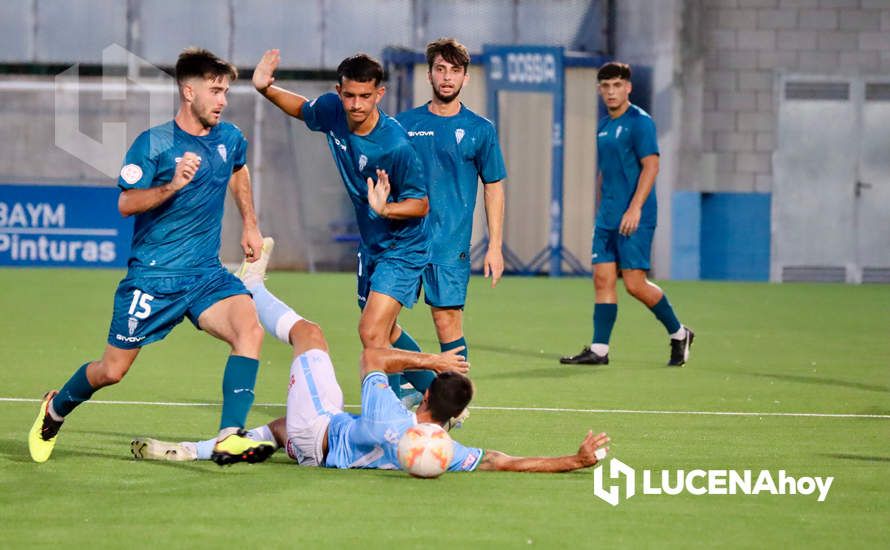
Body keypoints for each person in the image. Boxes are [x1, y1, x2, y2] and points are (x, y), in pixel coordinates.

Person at [132, 247, 610, 473]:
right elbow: (505, 462)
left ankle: (251, 285)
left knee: (309, 334)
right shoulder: (444, 454)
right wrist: (574, 459)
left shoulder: (389, 413)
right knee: (278, 428)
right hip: (317, 449)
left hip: (317, 431)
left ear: (427, 397)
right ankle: (192, 449)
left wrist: (431, 358)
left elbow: (372, 356)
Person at [29, 48, 276, 466]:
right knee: (111, 371)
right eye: (215, 91)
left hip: (204, 275)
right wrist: (172, 186)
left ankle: (229, 435)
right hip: (153, 279)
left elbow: (238, 168)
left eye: (226, 92)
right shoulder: (154, 143)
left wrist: (250, 222)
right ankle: (55, 410)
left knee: (249, 331)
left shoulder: (230, 137)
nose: (222, 100)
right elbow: (126, 204)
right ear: (187, 90)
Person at [252, 50, 434, 396]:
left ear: (379, 94)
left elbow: (421, 203)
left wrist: (387, 210)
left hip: (403, 245)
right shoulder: (333, 110)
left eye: (365, 96)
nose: (355, 104)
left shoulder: (395, 146)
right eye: (349, 95)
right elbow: (303, 109)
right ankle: (437, 392)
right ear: (339, 91)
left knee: (371, 332)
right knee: (385, 329)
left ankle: (387, 414)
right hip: (373, 243)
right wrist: (265, 89)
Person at [560, 62, 694, 367]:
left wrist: (634, 208)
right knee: (602, 279)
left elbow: (652, 165)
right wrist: (600, 206)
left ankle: (678, 333)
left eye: (617, 85)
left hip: (635, 216)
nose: (611, 92)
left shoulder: (640, 123)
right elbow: (605, 172)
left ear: (628, 87)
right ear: (599, 90)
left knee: (634, 284)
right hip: (607, 217)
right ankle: (599, 350)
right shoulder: (604, 126)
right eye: (605, 86)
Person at [394, 37, 506, 398]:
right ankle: (416, 392)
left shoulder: (480, 129)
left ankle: (453, 404)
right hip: (402, 241)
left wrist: (495, 247)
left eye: (454, 71)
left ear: (465, 78)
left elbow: (494, 187)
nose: (446, 77)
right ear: (429, 74)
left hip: (450, 244)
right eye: (440, 69)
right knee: (381, 322)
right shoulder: (402, 124)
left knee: (446, 322)